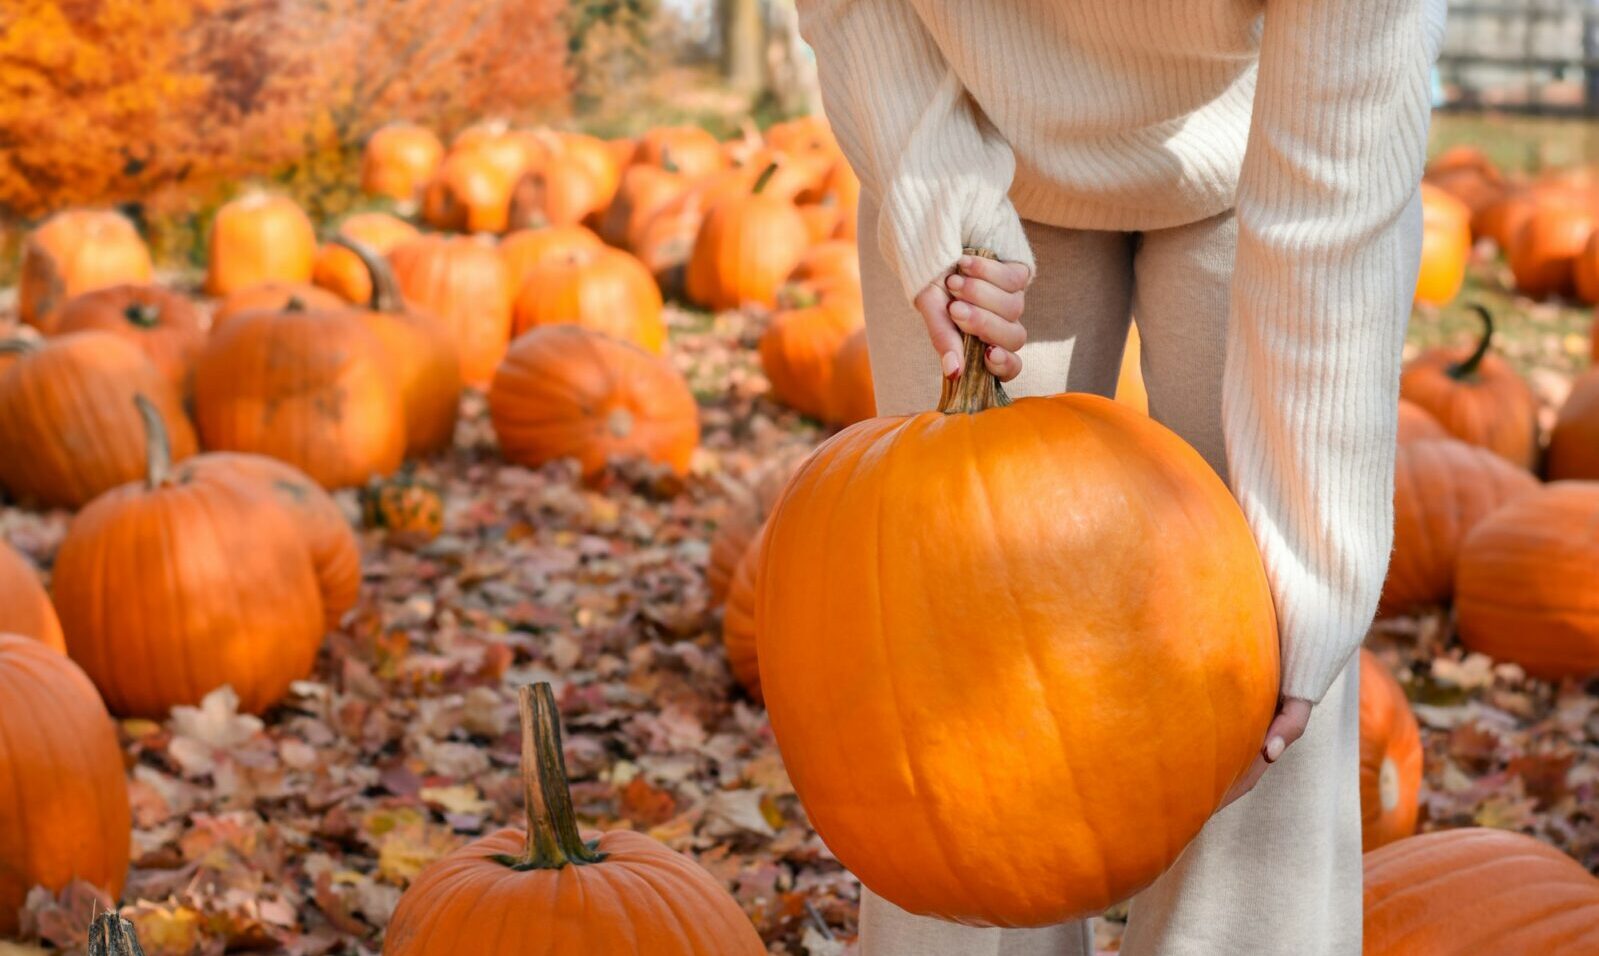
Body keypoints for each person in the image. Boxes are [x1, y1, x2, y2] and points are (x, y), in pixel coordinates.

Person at [794, 1, 1447, 953]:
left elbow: (1330, 204)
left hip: (1270, 140)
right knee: (945, 657)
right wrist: (933, 182)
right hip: (963, 119)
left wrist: (1310, 575)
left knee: (1260, 661)